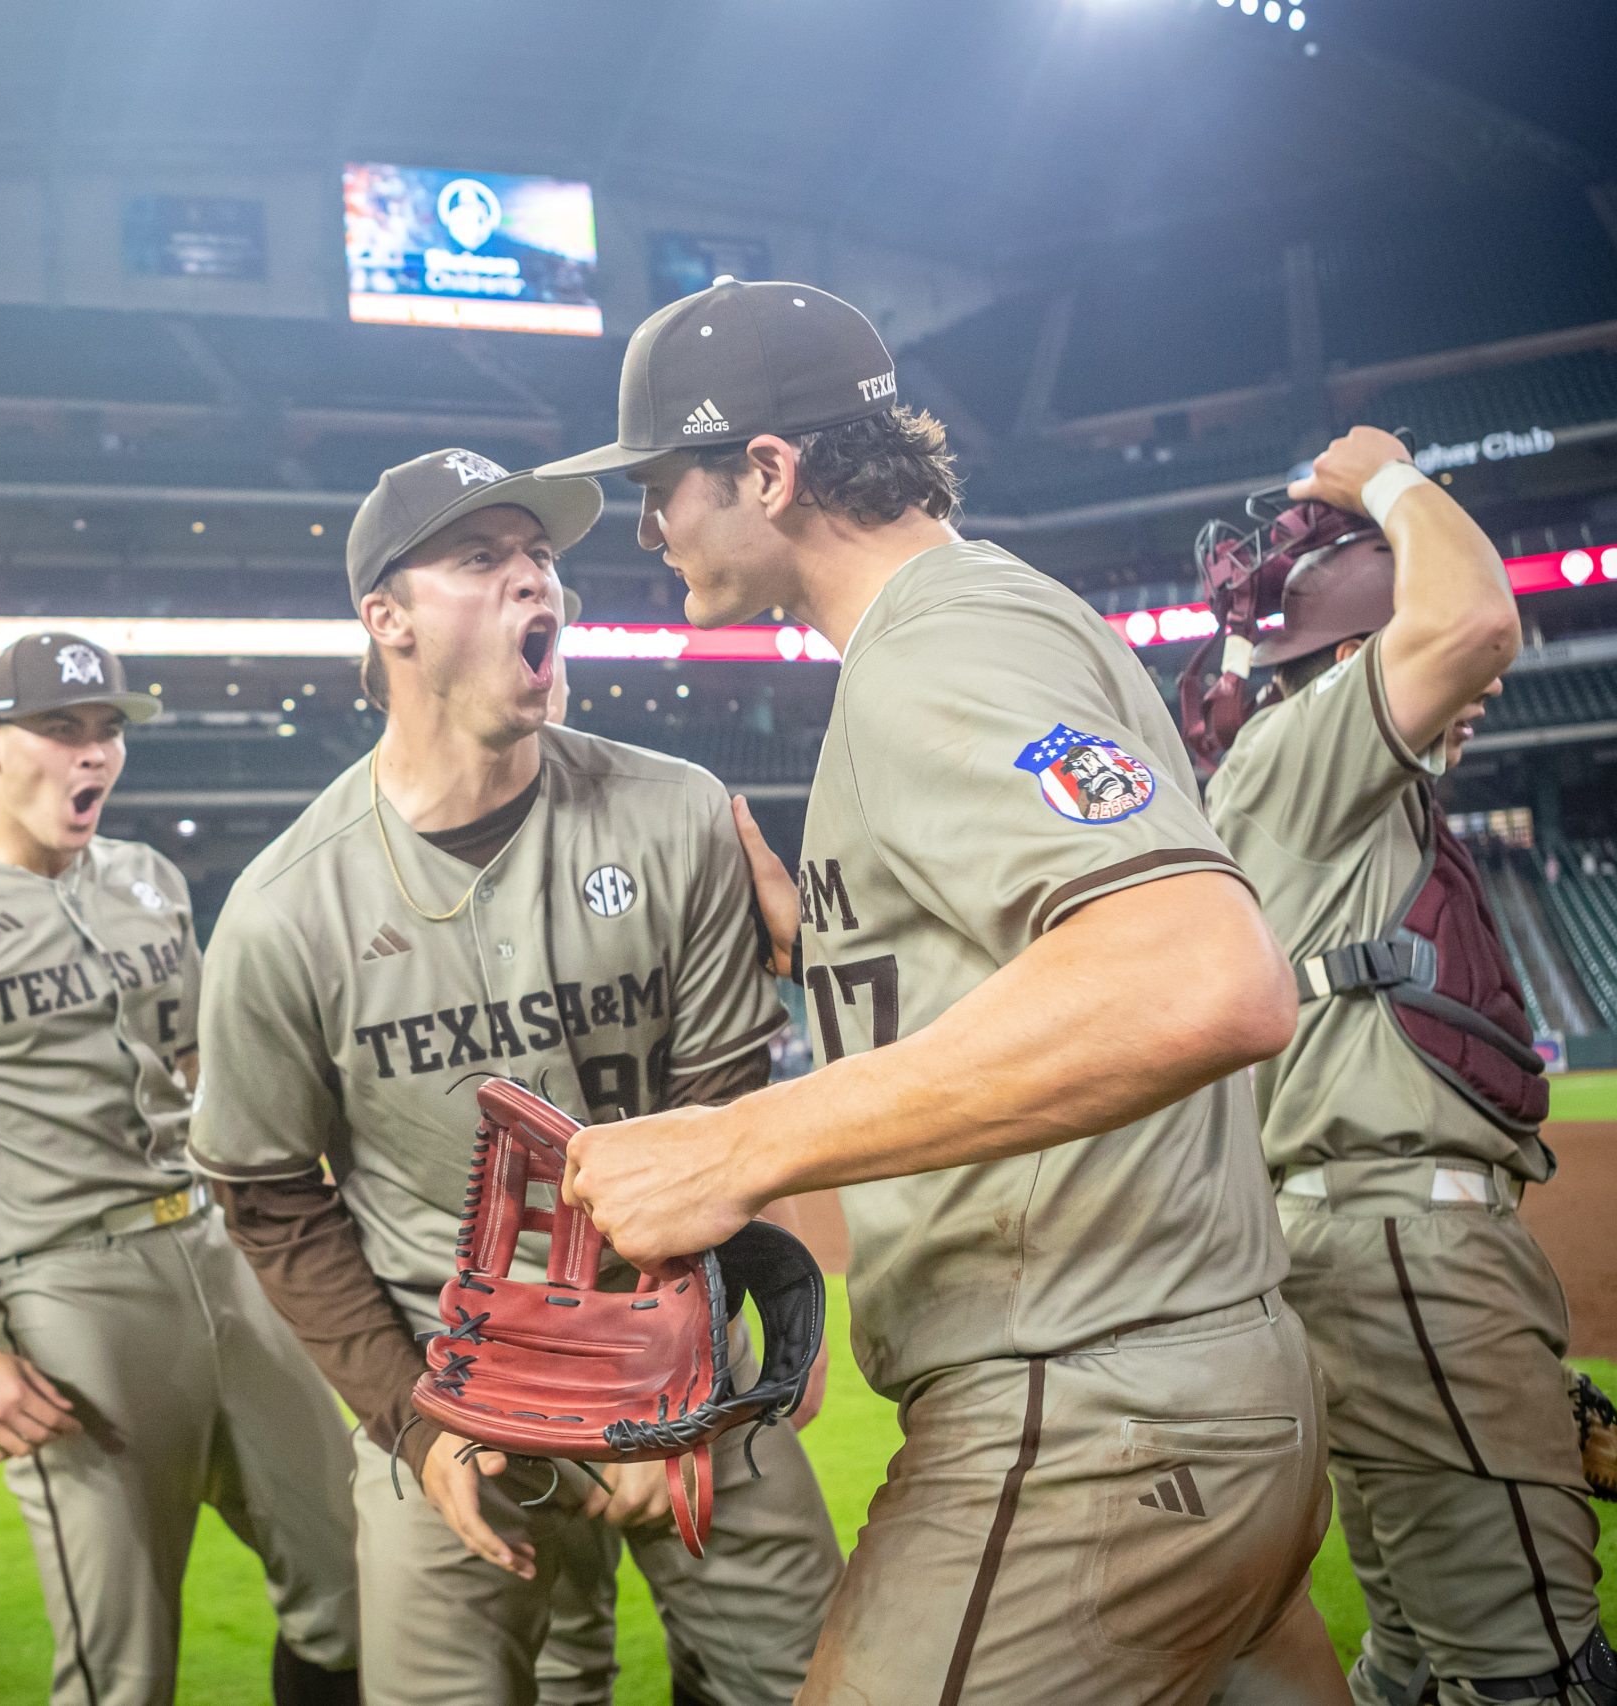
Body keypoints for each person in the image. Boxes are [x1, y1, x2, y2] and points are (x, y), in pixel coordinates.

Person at [539, 280, 1343, 1703]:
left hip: (1082, 1408)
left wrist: (739, 1142)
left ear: (769, 472)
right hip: (1199, 1397)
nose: (650, 526)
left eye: (663, 485)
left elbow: (1203, 975)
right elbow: (1044, 957)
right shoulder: (990, 617)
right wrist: (831, 945)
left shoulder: (939, 650)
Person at [190, 448, 844, 1706]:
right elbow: (270, 1194)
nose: (533, 579)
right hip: (456, 1392)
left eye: (541, 559)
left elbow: (719, 1112)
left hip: (689, 1367)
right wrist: (415, 1420)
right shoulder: (282, 908)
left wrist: (678, 1379)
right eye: (481, 559)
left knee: (826, 1678)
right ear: (386, 617)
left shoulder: (677, 814)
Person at [0, 634, 360, 1706]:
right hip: (67, 1285)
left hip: (221, 1248)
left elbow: (201, 1066)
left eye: (107, 730)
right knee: (121, 1661)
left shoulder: (144, 878)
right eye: (61, 728)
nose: (91, 753)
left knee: (352, 1585)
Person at [1204, 427, 1617, 1706]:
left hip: (1386, 1259)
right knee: (1531, 1673)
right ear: (1351, 663)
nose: (1487, 697)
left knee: (1416, 1657)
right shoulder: (1307, 756)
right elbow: (1473, 623)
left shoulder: (1329, 791)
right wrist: (1391, 482)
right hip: (1404, 1253)